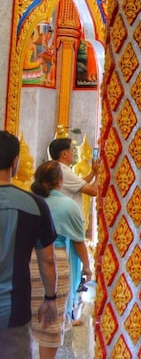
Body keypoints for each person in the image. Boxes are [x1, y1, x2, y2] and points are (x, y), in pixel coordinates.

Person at [0, 130, 58, 358]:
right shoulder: (34, 205)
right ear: (15, 162)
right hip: (14, 311)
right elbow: (48, 260)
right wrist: (50, 298)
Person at [29, 161, 93, 356]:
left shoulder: (30, 202)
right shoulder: (68, 205)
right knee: (51, 320)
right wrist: (87, 267)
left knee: (31, 313)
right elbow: (78, 241)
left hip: (28, 260)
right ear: (59, 181)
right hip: (55, 261)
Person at [48, 137, 98, 325]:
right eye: (72, 150)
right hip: (67, 226)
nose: (75, 153)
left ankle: (68, 315)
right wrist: (101, 175)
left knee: (66, 274)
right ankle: (67, 317)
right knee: (70, 274)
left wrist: (93, 172)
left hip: (58, 226)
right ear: (64, 154)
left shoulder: (59, 170)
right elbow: (92, 191)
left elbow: (78, 184)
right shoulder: (63, 171)